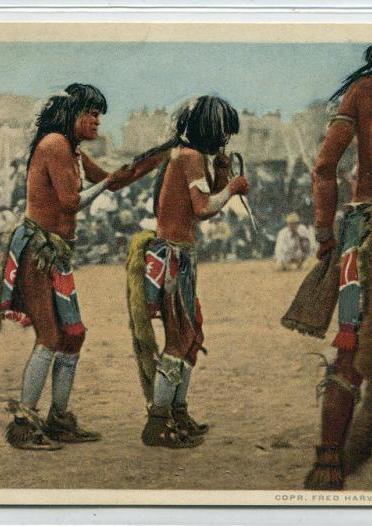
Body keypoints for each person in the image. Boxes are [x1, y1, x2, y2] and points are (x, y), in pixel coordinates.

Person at [0, 83, 170, 450]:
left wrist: (159, 156)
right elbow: (69, 203)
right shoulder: (54, 145)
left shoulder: (73, 151)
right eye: (93, 114)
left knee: (74, 334)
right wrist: (108, 182)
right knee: (50, 337)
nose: (98, 121)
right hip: (38, 250)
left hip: (56, 253)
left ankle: (59, 418)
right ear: (74, 114)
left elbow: (117, 181)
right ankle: (23, 423)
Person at [126, 96, 249, 449]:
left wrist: (223, 173)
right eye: (223, 130)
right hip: (173, 260)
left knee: (192, 337)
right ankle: (158, 424)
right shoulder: (190, 156)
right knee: (180, 341)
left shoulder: (187, 156)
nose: (225, 137)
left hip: (180, 256)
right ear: (209, 127)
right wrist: (234, 188)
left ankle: (177, 412)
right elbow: (204, 207)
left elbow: (200, 203)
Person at [302, 43, 372, 490]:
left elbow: (323, 167)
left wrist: (324, 234)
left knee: (350, 347)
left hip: (366, 225)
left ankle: (329, 460)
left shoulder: (362, 90)